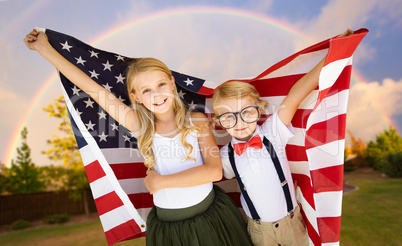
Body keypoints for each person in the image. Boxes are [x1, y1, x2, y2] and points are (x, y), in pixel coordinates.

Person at [24, 29, 252, 246]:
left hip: (210, 218)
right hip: (167, 227)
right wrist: (45, 49)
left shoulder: (197, 121)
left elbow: (214, 171)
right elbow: (92, 88)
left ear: (172, 84)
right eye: (146, 90)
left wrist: (161, 182)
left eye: (161, 84)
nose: (157, 94)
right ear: (136, 97)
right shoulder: (139, 125)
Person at [212, 29, 353, 246]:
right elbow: (202, 173)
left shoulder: (272, 132)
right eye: (229, 117)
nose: (239, 122)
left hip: (291, 224)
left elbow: (298, 93)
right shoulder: (225, 156)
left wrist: (334, 55)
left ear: (259, 109)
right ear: (219, 121)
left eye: (247, 112)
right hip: (258, 231)